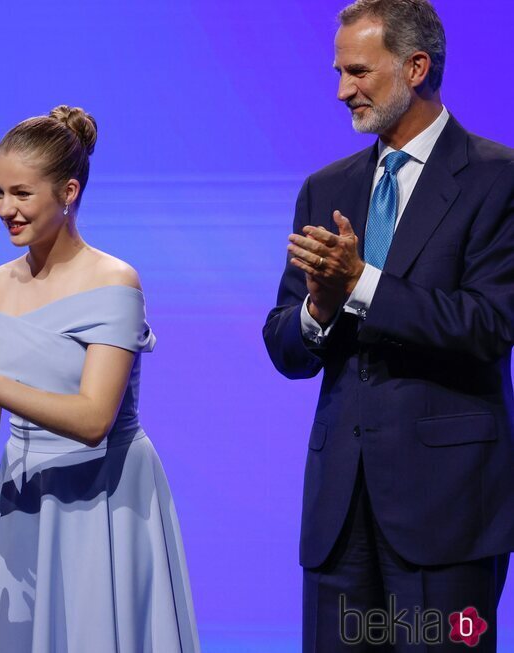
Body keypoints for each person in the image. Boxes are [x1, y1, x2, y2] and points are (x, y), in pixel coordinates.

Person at [262, 1, 514, 650]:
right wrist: (316, 309)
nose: (341, 89)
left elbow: (490, 322)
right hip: (338, 511)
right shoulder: (326, 187)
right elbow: (285, 346)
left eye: (357, 71)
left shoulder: (496, 178)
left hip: (447, 509)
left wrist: (361, 284)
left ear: (415, 66)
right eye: (339, 71)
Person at [0, 106, 199, 652]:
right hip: (24, 496)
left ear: (68, 191)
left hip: (106, 497)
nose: (5, 209)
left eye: (21, 194)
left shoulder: (114, 281)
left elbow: (94, 420)